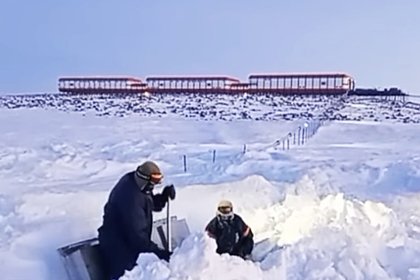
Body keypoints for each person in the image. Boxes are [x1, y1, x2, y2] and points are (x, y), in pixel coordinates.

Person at [98, 161, 176, 279]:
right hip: (119, 247)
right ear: (145, 179)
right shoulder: (131, 199)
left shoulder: (135, 183)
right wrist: (163, 255)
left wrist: (163, 198)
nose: (154, 186)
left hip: (127, 241)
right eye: (153, 182)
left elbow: (147, 203)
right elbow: (138, 239)